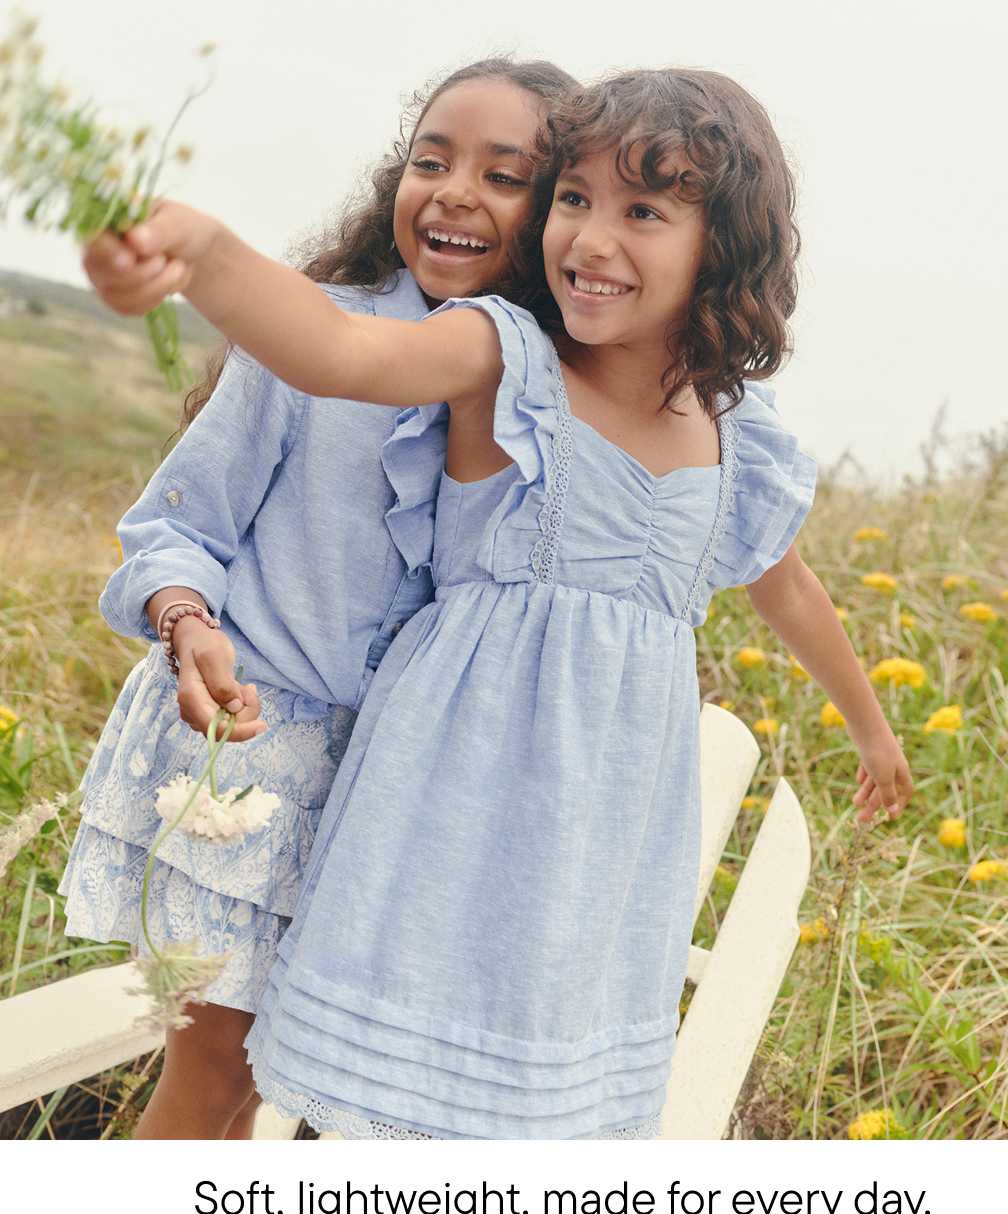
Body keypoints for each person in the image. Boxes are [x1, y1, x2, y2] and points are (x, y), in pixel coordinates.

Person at [83, 67, 914, 1140]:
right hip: (435, 801)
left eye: (643, 211)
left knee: (509, 1110)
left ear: (727, 243)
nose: (593, 237)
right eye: (575, 198)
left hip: (592, 840)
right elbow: (341, 351)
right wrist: (202, 251)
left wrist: (873, 726)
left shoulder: (732, 433)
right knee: (321, 1095)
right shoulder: (503, 356)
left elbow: (788, 585)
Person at [63, 57, 577, 1140]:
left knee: (296, 1093)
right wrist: (187, 624)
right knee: (212, 1082)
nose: (452, 192)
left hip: (394, 801)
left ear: (562, 213)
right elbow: (179, 527)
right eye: (429, 161)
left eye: (504, 174)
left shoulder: (547, 396)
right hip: (244, 758)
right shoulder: (310, 335)